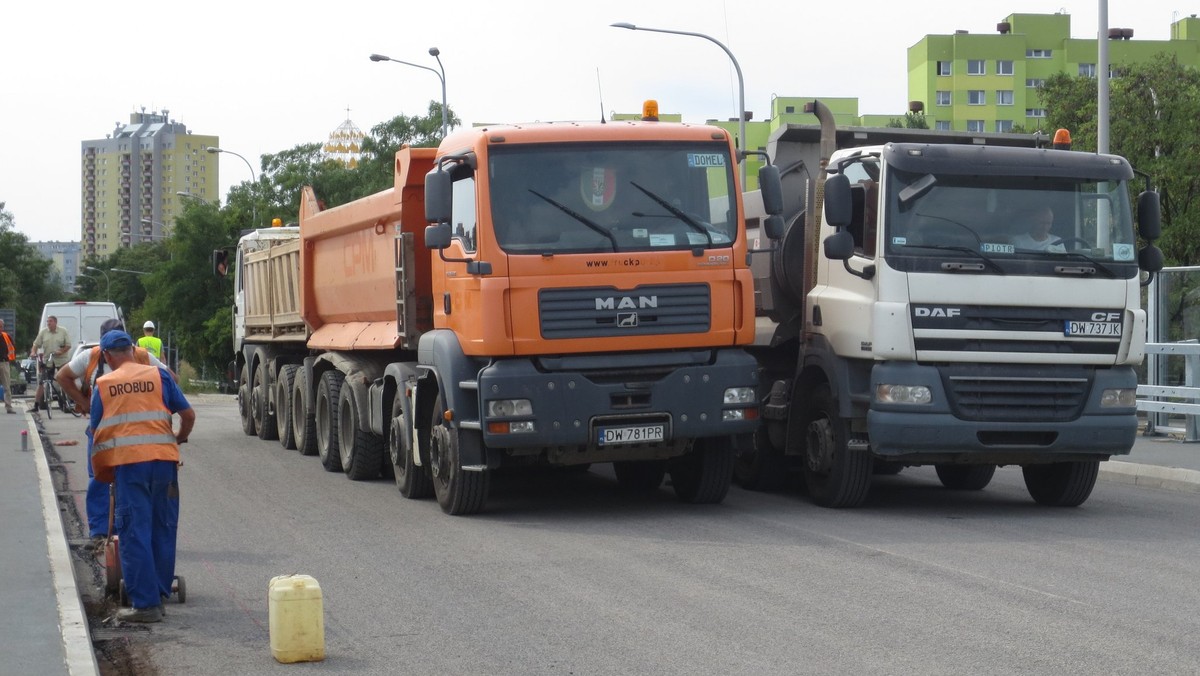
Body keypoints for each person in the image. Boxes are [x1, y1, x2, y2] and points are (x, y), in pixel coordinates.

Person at [90, 330, 194, 623]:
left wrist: (102, 472)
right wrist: (178, 439)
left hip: (130, 467)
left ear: (108, 356)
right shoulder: (158, 377)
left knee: (134, 531)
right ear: (134, 351)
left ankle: (146, 605)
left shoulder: (105, 384)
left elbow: (96, 434)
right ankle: (160, 591)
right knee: (163, 526)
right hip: (164, 465)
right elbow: (188, 415)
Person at [58, 319, 174, 548]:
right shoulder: (91, 357)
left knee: (131, 481)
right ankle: (99, 533)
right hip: (101, 430)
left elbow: (170, 379)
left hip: (133, 431)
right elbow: (63, 376)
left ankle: (129, 532)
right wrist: (83, 402)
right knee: (99, 479)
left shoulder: (141, 356)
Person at [29, 315, 72, 411]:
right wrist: (33, 352)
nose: (48, 323)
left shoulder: (63, 331)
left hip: (61, 360)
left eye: (50, 321)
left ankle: (66, 403)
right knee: (42, 382)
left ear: (55, 322)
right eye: (47, 321)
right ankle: (36, 405)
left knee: (64, 381)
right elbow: (36, 344)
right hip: (48, 360)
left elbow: (68, 345)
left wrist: (61, 351)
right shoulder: (43, 332)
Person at [0, 318, 15, 414]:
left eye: (1, 326)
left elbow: (12, 348)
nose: (0, 328)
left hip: (4, 362)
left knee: (7, 387)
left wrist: (10, 359)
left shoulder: (6, 336)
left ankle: (8, 407)